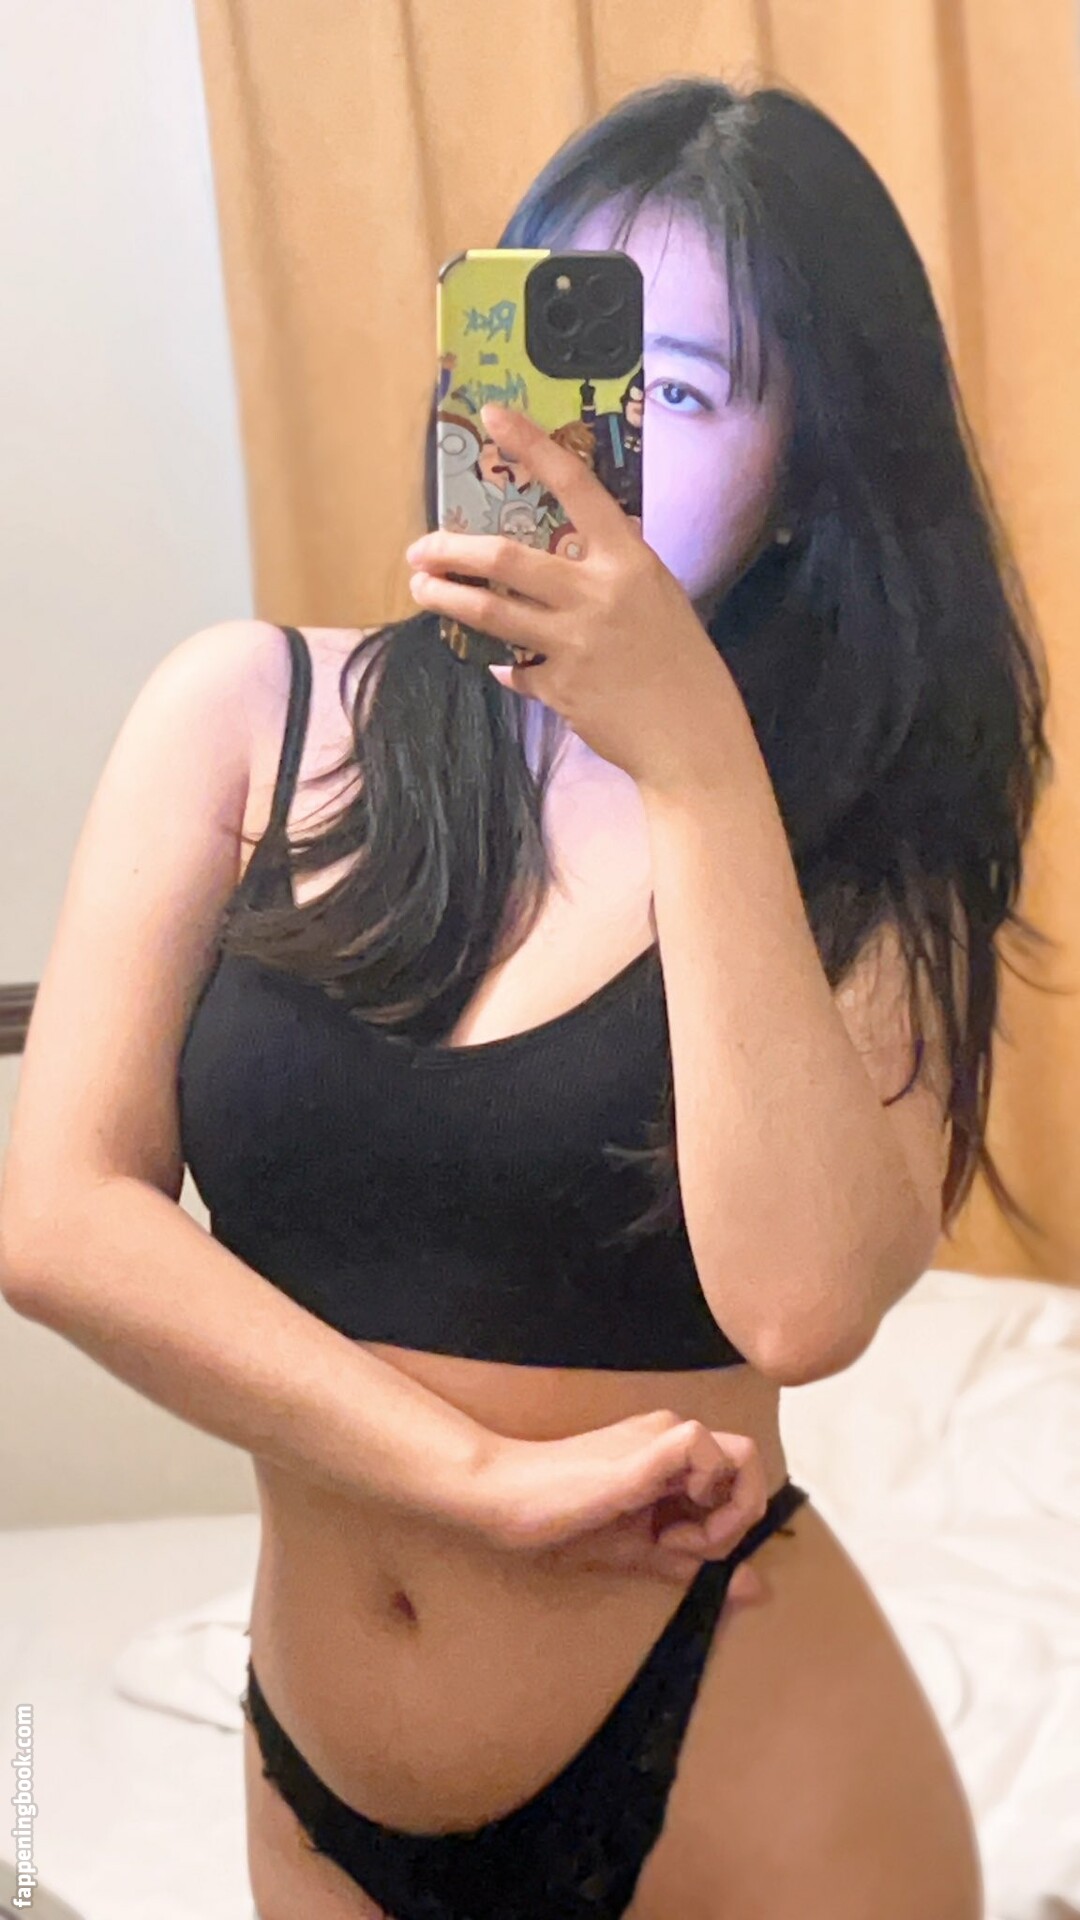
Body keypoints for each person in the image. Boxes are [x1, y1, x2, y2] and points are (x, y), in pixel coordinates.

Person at [0, 75, 1051, 1920]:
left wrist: (695, 764)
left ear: (807, 476)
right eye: (557, 353)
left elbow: (800, 1307)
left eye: (684, 391)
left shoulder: (859, 841)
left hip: (733, 1762)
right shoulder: (247, 716)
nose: (580, 440)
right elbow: (58, 1221)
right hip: (316, 1762)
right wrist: (469, 1479)